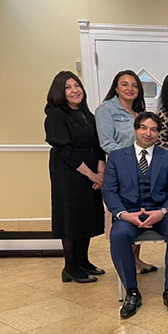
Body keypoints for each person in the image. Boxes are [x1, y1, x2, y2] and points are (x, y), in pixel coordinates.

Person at [103, 112, 168, 319]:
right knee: (118, 235)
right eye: (143, 128)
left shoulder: (167, 158)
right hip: (129, 214)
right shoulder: (116, 157)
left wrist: (162, 212)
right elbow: (109, 192)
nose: (148, 133)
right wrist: (124, 215)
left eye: (153, 129)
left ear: (158, 133)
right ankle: (132, 291)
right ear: (135, 129)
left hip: (161, 212)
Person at [44, 71, 106, 284]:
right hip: (69, 173)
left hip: (91, 171)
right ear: (59, 92)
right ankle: (70, 267)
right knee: (71, 217)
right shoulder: (56, 115)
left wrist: (100, 173)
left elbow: (99, 146)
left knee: (86, 215)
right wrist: (91, 175)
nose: (74, 90)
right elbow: (65, 150)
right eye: (68, 87)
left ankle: (83, 261)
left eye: (77, 85)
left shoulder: (87, 115)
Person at [95, 69, 155, 274]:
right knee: (125, 213)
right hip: (120, 170)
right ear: (116, 88)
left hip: (143, 169)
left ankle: (136, 259)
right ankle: (127, 263)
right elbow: (106, 142)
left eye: (134, 85)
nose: (130, 89)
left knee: (141, 209)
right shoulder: (106, 110)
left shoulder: (138, 112)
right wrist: (129, 158)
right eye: (125, 84)